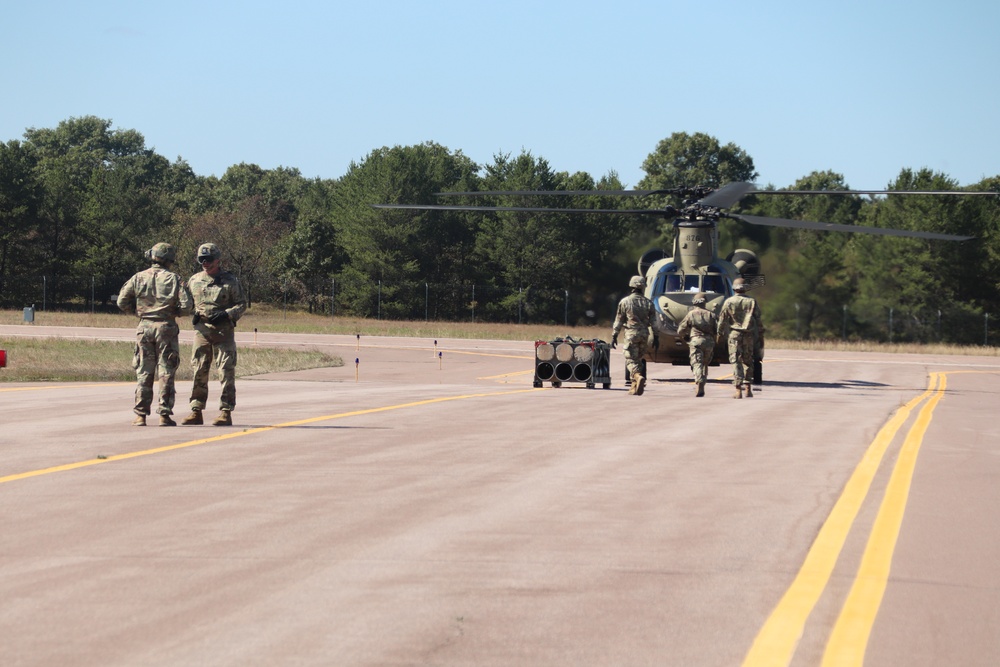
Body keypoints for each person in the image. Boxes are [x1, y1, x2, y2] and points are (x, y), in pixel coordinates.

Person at [117, 242, 192, 426]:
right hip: (166, 327)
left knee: (144, 370)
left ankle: (140, 415)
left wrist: (139, 313)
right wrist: (174, 313)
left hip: (145, 327)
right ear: (170, 259)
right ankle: (164, 414)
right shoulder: (174, 279)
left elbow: (122, 301)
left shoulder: (138, 277)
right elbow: (187, 305)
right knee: (166, 370)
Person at [181, 243, 247, 426]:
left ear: (218, 260)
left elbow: (242, 304)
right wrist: (193, 313)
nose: (205, 263)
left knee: (225, 371)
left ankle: (225, 411)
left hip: (223, 332)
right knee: (199, 370)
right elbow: (188, 302)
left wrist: (226, 314)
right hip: (202, 332)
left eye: (209, 260)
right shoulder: (194, 280)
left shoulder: (230, 281)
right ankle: (196, 410)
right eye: (201, 260)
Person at [717, 277, 764, 399]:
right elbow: (758, 320)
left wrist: (719, 334)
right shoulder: (752, 302)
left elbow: (722, 320)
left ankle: (738, 390)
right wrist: (760, 334)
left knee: (736, 361)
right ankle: (748, 388)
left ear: (734, 288)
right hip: (748, 335)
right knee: (748, 360)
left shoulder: (729, 302)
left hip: (734, 334)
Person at [611, 275, 657, 395]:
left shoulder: (625, 302)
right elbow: (654, 322)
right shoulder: (649, 303)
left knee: (630, 360)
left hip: (631, 333)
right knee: (639, 360)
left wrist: (614, 335)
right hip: (644, 334)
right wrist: (656, 336)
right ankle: (634, 386)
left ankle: (637, 376)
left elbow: (619, 320)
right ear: (643, 288)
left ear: (631, 286)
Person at [676, 292, 718, 397]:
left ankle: (699, 382)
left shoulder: (691, 314)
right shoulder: (711, 315)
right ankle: (703, 382)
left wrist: (685, 337)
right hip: (709, 342)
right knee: (705, 364)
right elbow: (718, 330)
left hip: (696, 341)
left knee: (697, 363)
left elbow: (681, 330)